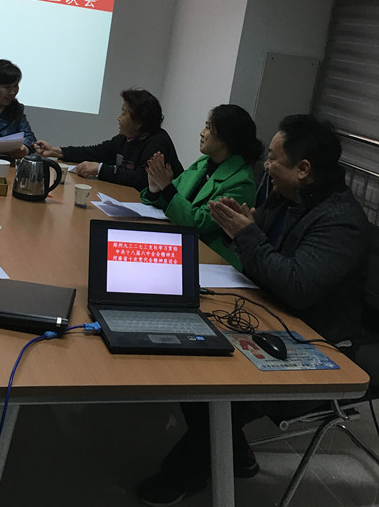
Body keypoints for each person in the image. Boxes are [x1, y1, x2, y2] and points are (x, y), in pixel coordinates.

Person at [137, 114, 370, 507]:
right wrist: (242, 231)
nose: (265, 165)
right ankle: (234, 452)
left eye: (274, 159)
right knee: (188, 351)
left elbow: (297, 286)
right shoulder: (285, 197)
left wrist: (247, 234)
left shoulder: (340, 222)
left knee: (215, 385)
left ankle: (183, 473)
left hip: (319, 339)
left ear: (303, 169)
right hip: (270, 313)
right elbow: (262, 262)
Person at [140, 104, 263, 268]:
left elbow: (198, 223)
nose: (201, 133)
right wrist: (155, 189)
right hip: (180, 243)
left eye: (208, 127)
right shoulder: (204, 162)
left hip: (211, 260)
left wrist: (166, 187)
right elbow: (174, 201)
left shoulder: (241, 183)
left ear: (226, 136)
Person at [34, 88, 183, 191]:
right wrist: (56, 151)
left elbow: (143, 179)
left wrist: (100, 169)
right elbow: (95, 152)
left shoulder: (158, 143)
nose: (118, 117)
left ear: (138, 122)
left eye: (124, 113)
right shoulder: (125, 139)